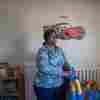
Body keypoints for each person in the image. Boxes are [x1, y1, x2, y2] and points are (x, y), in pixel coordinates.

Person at [33, 29, 69, 100]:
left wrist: (68, 68)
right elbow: (44, 68)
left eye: (55, 37)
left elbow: (65, 62)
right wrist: (62, 73)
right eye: (52, 37)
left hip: (59, 84)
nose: (55, 39)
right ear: (46, 38)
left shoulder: (59, 49)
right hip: (45, 86)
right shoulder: (42, 51)